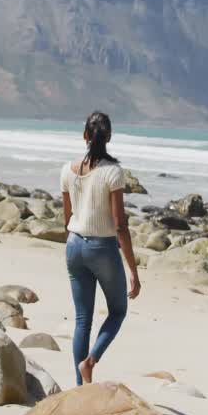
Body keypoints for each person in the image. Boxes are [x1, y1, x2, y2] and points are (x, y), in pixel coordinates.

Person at [59, 111, 141, 386]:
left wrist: (74, 242)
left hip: (74, 245)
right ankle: (90, 362)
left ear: (84, 136)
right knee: (117, 311)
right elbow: (120, 225)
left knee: (83, 319)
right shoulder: (112, 173)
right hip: (102, 248)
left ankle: (80, 387)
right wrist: (133, 270)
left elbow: (66, 217)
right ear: (109, 137)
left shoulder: (66, 170)